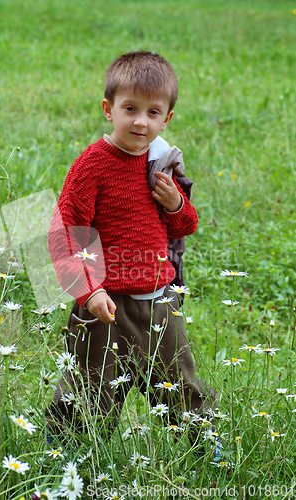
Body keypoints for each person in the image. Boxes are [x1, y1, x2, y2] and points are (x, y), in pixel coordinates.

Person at [48, 51, 216, 437]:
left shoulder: (161, 163)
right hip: (104, 305)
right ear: (109, 109)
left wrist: (175, 203)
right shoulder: (92, 165)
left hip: (159, 302)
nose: (141, 121)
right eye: (130, 108)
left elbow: (185, 225)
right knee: (88, 391)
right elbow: (65, 234)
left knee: (181, 385)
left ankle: (207, 449)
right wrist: (87, 291)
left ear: (167, 118)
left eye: (153, 112)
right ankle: (69, 460)